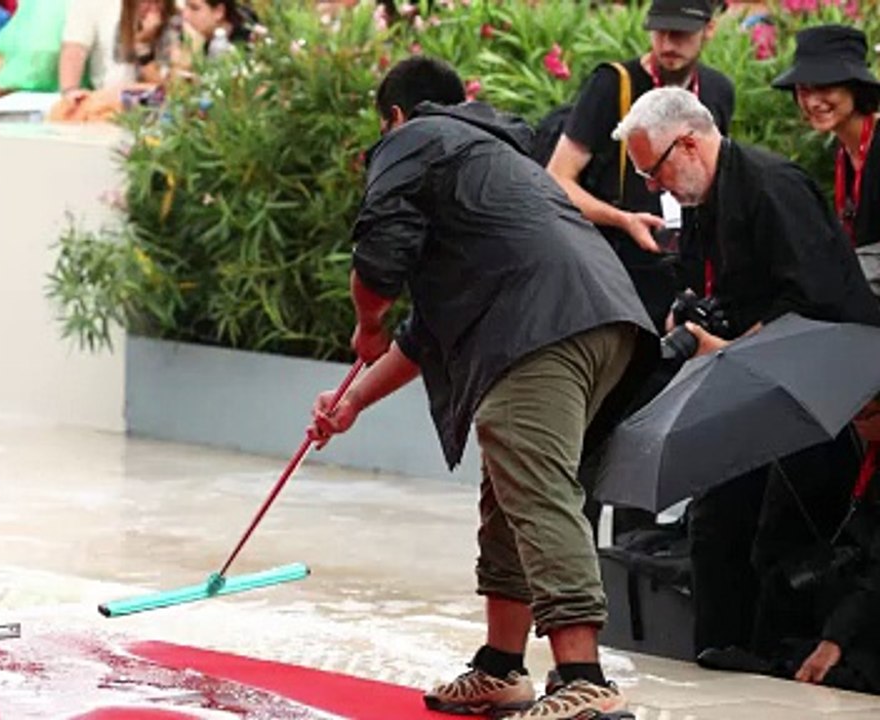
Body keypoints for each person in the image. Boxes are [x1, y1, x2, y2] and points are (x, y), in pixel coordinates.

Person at [308, 56, 657, 719]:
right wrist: (350, 400)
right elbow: (428, 333)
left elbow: (378, 260)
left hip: (545, 328)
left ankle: (584, 680)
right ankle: (501, 667)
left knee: (536, 490)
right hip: (600, 320)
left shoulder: (413, 140)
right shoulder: (487, 163)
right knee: (510, 489)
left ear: (395, 117)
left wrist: (364, 323)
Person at [611, 86, 880, 663]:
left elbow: (814, 302)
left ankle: (772, 660)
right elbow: (717, 287)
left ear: (687, 143)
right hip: (751, 373)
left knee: (780, 535)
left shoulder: (772, 187)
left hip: (820, 381)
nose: (653, 187)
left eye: (652, 172)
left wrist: (729, 345)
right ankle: (721, 653)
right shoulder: (707, 196)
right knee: (714, 521)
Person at [547, 0, 734, 328]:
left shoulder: (717, 89)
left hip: (686, 267)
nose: (667, 44)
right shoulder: (612, 84)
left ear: (709, 30)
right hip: (618, 270)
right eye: (660, 32)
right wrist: (623, 220)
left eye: (681, 34)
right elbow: (558, 178)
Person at [773, 24, 880, 249]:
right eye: (804, 90)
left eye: (825, 88)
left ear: (856, 88)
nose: (813, 102)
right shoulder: (846, 149)